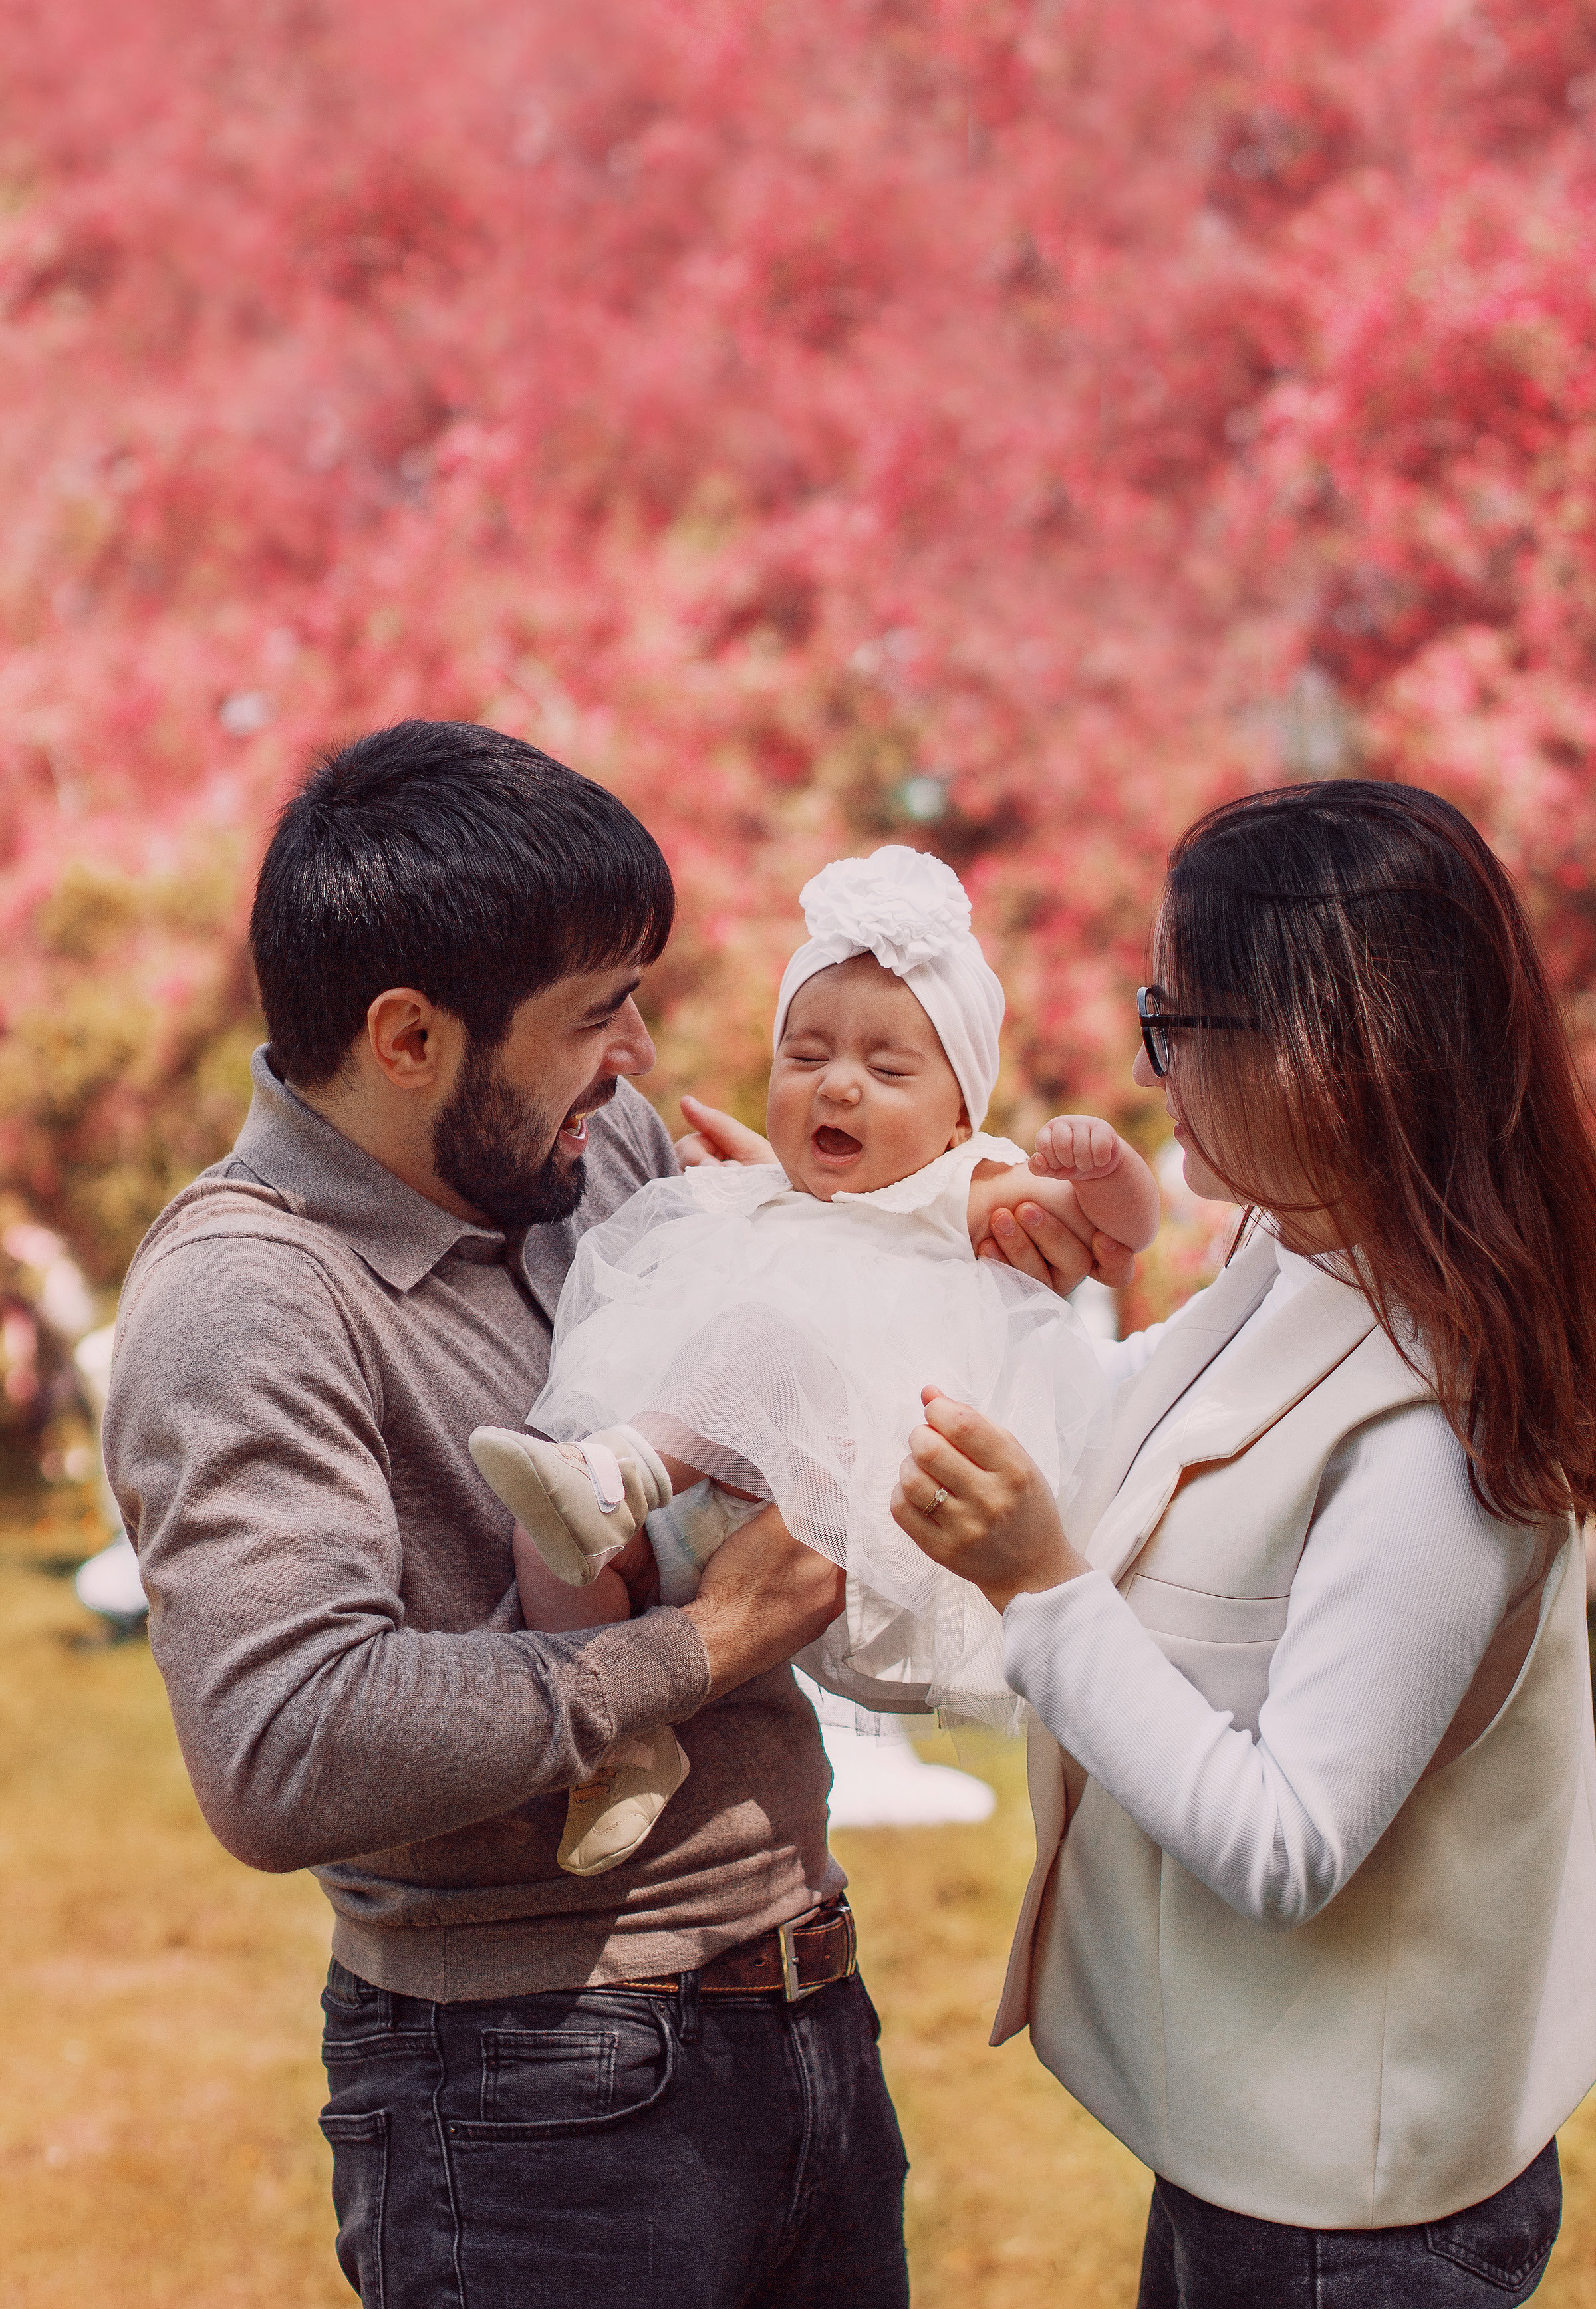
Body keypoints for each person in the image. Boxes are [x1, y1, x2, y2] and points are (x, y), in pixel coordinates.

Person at [106, 722, 1026, 2309]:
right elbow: (281, 1743)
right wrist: (707, 1640)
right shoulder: (250, 1300)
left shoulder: (604, 1168)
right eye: (597, 1015)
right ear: (408, 1039)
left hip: (806, 2007)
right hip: (531, 2100)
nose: (648, 1059)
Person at [892, 780, 1596, 2306]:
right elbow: (1129, 1430)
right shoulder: (1307, 1242)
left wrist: (1042, 1589)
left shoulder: (1432, 1436)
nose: (1156, 1069)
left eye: (1177, 1024)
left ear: (1336, 1054)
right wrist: (949, 1256)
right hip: (1259, 2148)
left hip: (1357, 2223)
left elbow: (1291, 1848)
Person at [470, 845, 1158, 1875]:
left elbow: (1113, 1234)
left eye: (887, 1071)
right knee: (546, 1553)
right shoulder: (751, 1195)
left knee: (764, 1344)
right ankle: (622, 1744)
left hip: (826, 1493)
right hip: (702, 1516)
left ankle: (615, 1475)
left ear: (960, 1116)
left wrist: (1109, 1173)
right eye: (805, 1057)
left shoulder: (947, 1188)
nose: (838, 1086)